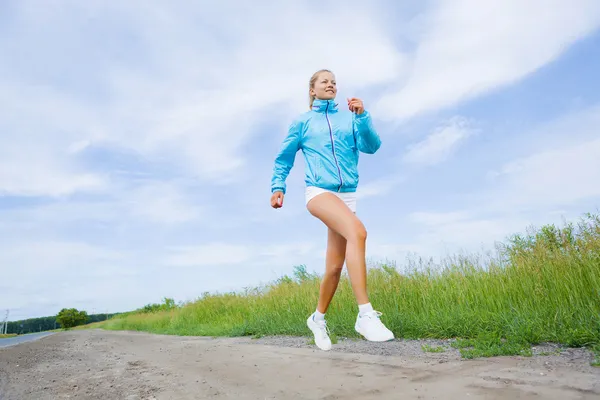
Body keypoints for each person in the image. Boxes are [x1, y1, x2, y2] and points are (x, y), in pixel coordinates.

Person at [269, 69, 394, 351]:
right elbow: (284, 158)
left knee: (335, 267)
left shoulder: (350, 118)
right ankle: (365, 315)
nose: (331, 84)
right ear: (312, 90)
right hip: (319, 192)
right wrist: (278, 186)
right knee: (358, 233)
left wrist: (362, 117)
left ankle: (317, 317)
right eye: (324, 81)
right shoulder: (302, 122)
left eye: (334, 82)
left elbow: (372, 147)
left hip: (347, 195)